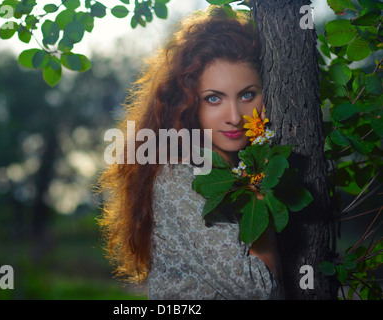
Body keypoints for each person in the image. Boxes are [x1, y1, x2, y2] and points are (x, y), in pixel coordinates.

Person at [98, 6, 283, 300]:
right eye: (213, 99)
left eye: (247, 95)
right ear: (188, 104)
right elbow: (259, 289)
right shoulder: (181, 179)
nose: (235, 116)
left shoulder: (236, 169)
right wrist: (258, 200)